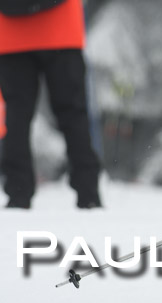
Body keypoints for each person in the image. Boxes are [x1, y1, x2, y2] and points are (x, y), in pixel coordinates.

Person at [0, 0, 102, 209]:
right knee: (73, 114)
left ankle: (18, 193)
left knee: (16, 117)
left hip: (10, 34)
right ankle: (88, 192)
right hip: (62, 31)